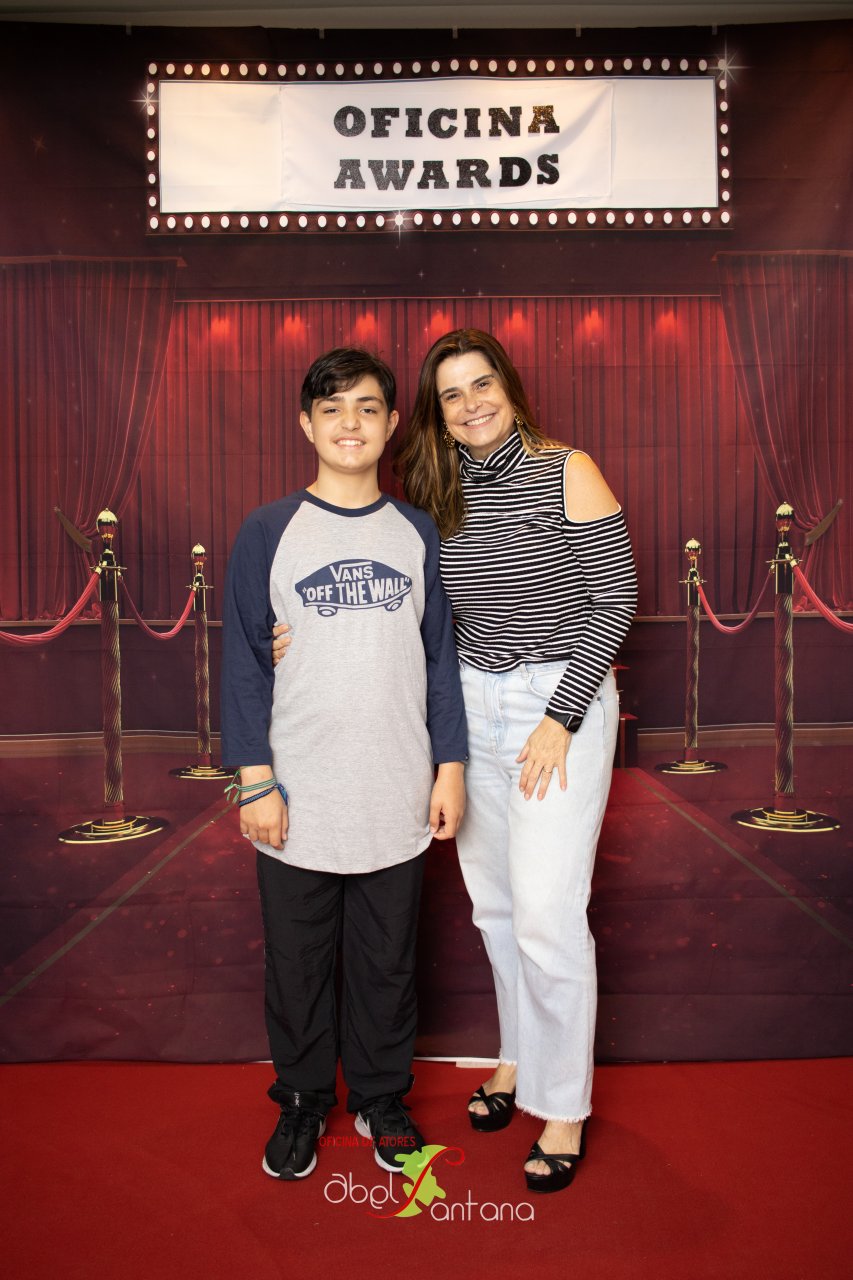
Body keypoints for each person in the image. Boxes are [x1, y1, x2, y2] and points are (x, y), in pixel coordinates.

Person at [275, 329, 637, 1194]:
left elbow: (615, 597)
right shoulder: (436, 489)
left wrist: (560, 716)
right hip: (473, 701)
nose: (471, 404)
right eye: (451, 394)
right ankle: (517, 1058)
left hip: (558, 699)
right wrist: (286, 634)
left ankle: (563, 1104)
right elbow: (407, 607)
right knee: (498, 909)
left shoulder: (567, 469)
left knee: (547, 912)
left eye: (482, 385)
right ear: (434, 414)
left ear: (508, 386)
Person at [222, 347, 467, 1183]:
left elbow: (441, 661)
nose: (350, 423)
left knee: (386, 959)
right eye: (331, 409)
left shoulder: (417, 531)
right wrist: (254, 779)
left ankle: (380, 1095)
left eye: (367, 407)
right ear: (306, 424)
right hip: (297, 790)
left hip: (395, 786)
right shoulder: (267, 530)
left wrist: (449, 767)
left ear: (392, 423)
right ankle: (300, 1098)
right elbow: (245, 661)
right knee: (295, 962)